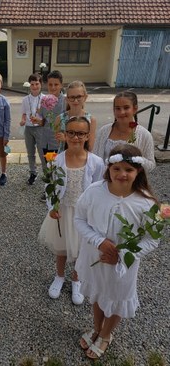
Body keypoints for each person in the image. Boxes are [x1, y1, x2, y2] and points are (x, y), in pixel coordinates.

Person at [74, 144, 159, 360]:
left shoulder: (146, 203)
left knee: (117, 296)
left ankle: (105, 334)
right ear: (108, 168)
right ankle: (96, 328)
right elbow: (80, 219)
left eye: (129, 170)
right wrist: (100, 241)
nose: (122, 174)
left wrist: (121, 255)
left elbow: (152, 240)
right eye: (117, 169)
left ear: (138, 171)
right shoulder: (94, 191)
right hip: (96, 255)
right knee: (98, 292)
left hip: (122, 265)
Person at [39, 116, 105, 304]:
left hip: (83, 216)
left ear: (87, 136)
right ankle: (59, 276)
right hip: (63, 211)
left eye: (80, 133)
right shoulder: (56, 160)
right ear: (65, 135)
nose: (76, 137)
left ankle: (76, 279)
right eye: (71, 133)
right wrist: (52, 207)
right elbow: (50, 186)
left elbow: (99, 188)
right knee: (61, 247)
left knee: (80, 249)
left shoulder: (96, 162)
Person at [93, 91, 155, 172]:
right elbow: (95, 159)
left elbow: (151, 165)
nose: (121, 112)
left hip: (132, 183)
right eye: (118, 108)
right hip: (106, 181)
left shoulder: (144, 135)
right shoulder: (103, 132)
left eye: (126, 108)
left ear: (135, 109)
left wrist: (135, 159)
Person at [37, 70, 65, 201]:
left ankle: (58, 189)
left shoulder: (65, 101)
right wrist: (36, 119)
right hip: (45, 138)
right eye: (50, 84)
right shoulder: (44, 100)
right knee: (47, 165)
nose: (53, 87)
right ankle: (48, 188)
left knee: (57, 165)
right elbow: (43, 120)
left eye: (56, 84)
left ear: (61, 85)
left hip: (58, 140)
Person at [55, 80, 97, 152]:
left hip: (82, 160)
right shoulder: (59, 119)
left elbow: (90, 147)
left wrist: (66, 138)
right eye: (72, 97)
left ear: (85, 97)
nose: (75, 101)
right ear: (67, 99)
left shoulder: (91, 120)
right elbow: (59, 143)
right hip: (63, 158)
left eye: (79, 97)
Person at [19, 73, 45, 184]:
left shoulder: (45, 99)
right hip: (29, 128)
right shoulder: (25, 99)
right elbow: (24, 113)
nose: (34, 86)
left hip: (40, 128)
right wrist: (23, 120)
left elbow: (48, 115)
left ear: (41, 84)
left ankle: (46, 173)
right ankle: (33, 172)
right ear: (29, 85)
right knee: (30, 152)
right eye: (32, 84)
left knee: (42, 152)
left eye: (37, 84)